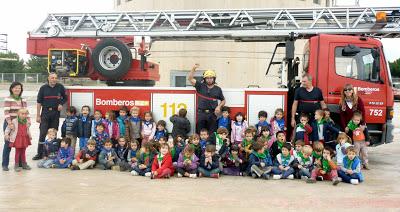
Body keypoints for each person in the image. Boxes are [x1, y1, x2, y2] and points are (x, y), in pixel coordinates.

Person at [34, 72, 67, 160]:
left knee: (54, 133)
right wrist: (38, 115)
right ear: (48, 78)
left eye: (55, 78)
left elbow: (65, 97)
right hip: (45, 113)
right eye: (52, 78)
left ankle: (53, 153)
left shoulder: (60, 87)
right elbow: (39, 102)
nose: (54, 79)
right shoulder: (43, 88)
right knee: (43, 133)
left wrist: (61, 103)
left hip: (55, 113)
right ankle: (39, 153)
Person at [188, 64, 225, 134]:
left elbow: (223, 100)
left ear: (214, 79)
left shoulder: (218, 89)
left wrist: (219, 106)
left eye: (211, 78)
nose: (209, 80)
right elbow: (190, 79)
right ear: (204, 79)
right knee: (200, 133)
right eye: (207, 78)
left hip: (212, 114)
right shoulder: (200, 86)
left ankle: (210, 145)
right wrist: (193, 69)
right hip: (201, 113)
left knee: (212, 133)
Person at [3, 82, 28, 171]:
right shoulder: (8, 99)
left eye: (19, 88)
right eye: (15, 88)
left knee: (21, 144)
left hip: (21, 124)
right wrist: (10, 123)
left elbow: (25, 112)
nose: (17, 89)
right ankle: (5, 164)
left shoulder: (23, 99)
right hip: (10, 123)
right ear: (11, 89)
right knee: (8, 144)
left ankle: (21, 164)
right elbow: (6, 112)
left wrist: (28, 122)